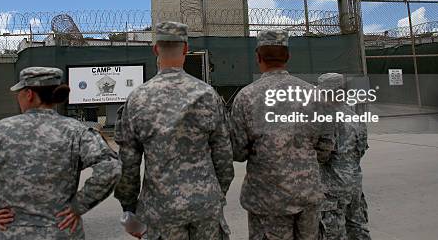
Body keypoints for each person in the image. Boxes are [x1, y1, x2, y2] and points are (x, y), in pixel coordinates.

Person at [0, 67, 121, 239]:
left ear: (29, 94)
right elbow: (111, 167)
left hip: (11, 231)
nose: (18, 98)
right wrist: (79, 205)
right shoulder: (77, 132)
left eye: (19, 93)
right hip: (62, 231)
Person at [114, 21, 234, 239]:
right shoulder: (208, 95)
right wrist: (217, 194)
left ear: (155, 49)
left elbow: (128, 165)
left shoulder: (138, 99)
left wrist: (129, 208)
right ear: (186, 49)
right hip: (205, 206)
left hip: (161, 209)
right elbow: (224, 157)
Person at [228, 29, 334, 240]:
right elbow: (326, 146)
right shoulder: (314, 95)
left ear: (258, 57)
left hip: (266, 199)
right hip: (307, 194)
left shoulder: (246, 97)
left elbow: (238, 151)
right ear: (288, 56)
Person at [316, 73, 371, 240]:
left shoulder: (326, 118)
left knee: (334, 233)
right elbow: (361, 149)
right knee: (358, 228)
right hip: (354, 185)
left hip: (333, 189)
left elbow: (321, 156)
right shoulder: (355, 117)